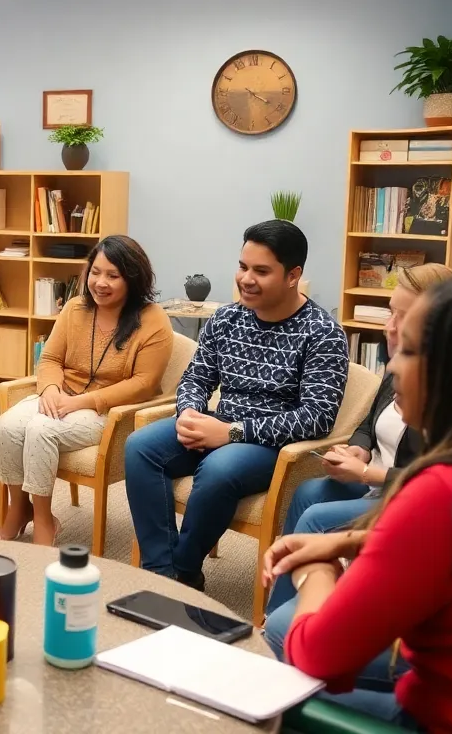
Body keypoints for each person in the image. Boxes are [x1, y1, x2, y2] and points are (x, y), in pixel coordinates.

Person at [263, 223, 452, 732]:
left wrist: (321, 574)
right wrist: (353, 539)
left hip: (447, 719)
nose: (394, 365)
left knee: (286, 637)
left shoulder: (447, 492)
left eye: (410, 351)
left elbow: (320, 655)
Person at [124, 220, 349, 589]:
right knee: (140, 447)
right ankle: (160, 571)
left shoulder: (323, 333)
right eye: (243, 267)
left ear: (293, 275)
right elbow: (195, 378)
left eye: (261, 271)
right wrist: (190, 413)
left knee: (219, 468)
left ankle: (184, 570)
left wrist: (231, 432)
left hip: (269, 444)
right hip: (217, 423)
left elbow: (317, 417)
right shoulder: (227, 318)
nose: (246, 279)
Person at [263, 263, 452, 615]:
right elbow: (370, 421)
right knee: (308, 493)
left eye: (403, 316)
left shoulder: (449, 389)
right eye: (390, 312)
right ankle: (282, 607)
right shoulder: (400, 361)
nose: (390, 326)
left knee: (317, 520)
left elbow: (441, 481)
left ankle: (291, 617)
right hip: (379, 479)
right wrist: (360, 448)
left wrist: (365, 474)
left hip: (405, 494)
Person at [0, 236, 173, 546]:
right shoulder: (75, 309)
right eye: (95, 272)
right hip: (62, 396)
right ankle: (19, 509)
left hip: (109, 411)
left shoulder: (153, 320)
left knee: (41, 429)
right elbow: (50, 359)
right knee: (7, 426)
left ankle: (45, 521)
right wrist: (49, 388)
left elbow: (143, 384)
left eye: (112, 276)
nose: (100, 283)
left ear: (133, 278)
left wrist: (82, 402)